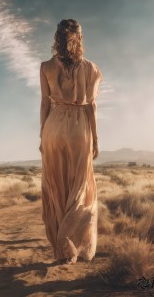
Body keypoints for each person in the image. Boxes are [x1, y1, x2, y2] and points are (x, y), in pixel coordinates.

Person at [39, 19, 103, 264]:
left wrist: (41, 135)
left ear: (57, 38)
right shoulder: (91, 68)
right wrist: (95, 138)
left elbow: (45, 103)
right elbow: (91, 106)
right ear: (80, 37)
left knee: (56, 185)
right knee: (79, 187)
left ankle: (62, 244)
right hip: (79, 126)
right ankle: (69, 239)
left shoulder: (45, 66)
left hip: (53, 126)